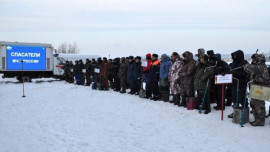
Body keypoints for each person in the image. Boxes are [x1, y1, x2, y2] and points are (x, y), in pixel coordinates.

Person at [244, 54, 270, 126]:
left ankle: (260, 121)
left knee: (258, 105)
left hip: (259, 88)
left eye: (255, 59)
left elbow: (247, 68)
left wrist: (245, 63)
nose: (254, 60)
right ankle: (258, 120)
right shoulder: (263, 66)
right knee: (259, 104)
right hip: (262, 87)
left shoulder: (259, 67)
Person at [228, 50, 248, 118]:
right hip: (234, 84)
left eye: (235, 55)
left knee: (242, 99)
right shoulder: (234, 63)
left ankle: (243, 113)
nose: (234, 57)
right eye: (233, 55)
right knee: (234, 99)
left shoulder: (244, 63)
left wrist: (235, 73)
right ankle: (235, 112)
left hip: (241, 84)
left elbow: (245, 74)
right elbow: (231, 71)